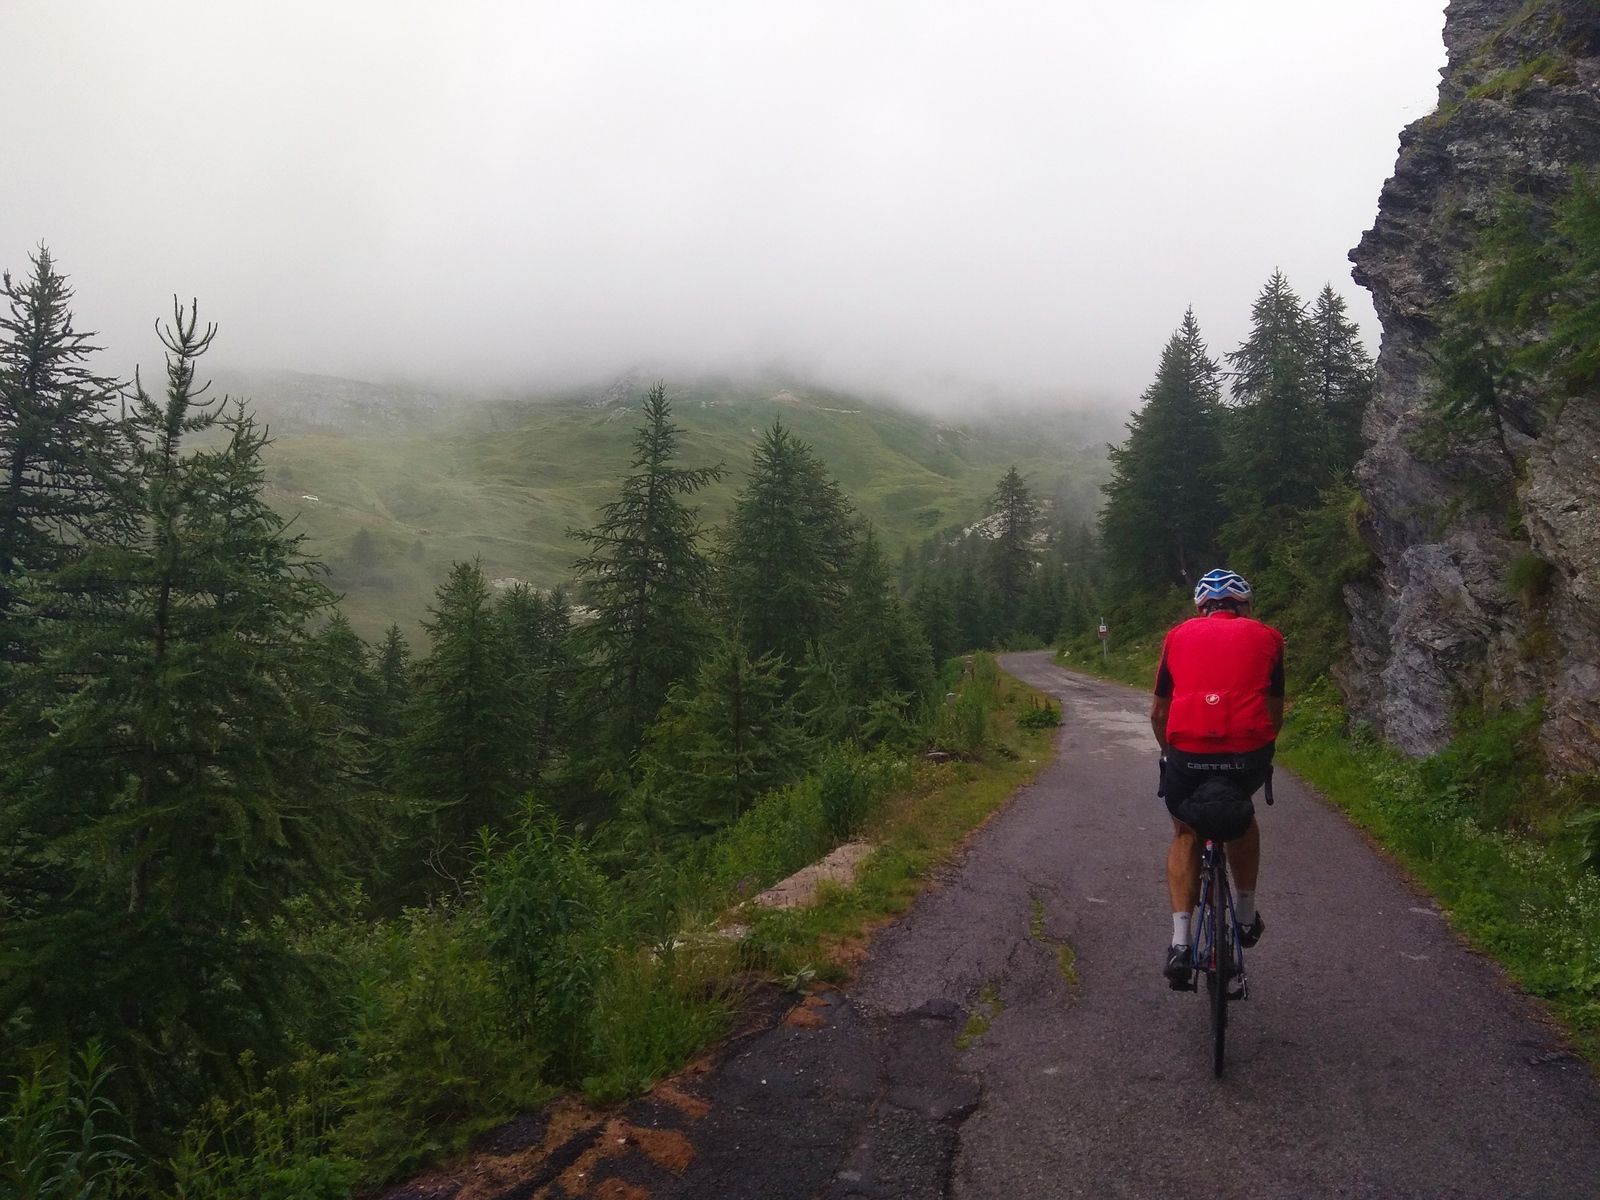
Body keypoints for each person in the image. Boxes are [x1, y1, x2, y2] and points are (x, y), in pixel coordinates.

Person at [1150, 568, 1284, 989]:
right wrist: (1264, 748)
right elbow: (1274, 708)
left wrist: (1167, 753)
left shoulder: (1176, 637)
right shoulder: (1269, 637)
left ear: (1201, 608)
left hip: (1188, 751)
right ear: (1244, 605)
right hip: (1247, 753)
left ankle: (1180, 943)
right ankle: (1244, 914)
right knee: (1242, 818)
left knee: (1186, 832)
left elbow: (1158, 711)